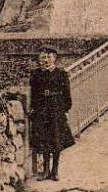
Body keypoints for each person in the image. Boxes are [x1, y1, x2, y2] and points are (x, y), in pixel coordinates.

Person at [28, 49, 74, 180]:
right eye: (43, 58)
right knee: (44, 139)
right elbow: (33, 93)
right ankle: (45, 171)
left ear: (55, 58)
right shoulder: (36, 74)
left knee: (56, 139)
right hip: (42, 109)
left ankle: (55, 171)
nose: (46, 60)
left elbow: (67, 93)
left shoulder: (61, 74)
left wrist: (65, 109)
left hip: (56, 109)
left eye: (49, 57)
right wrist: (33, 108)